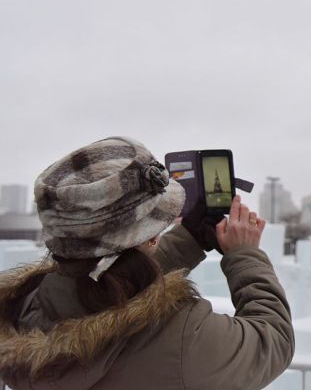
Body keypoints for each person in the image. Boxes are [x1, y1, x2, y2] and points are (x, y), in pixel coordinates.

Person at [0, 137, 294, 390]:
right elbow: (272, 341)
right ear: (144, 240)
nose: (156, 239)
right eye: (153, 234)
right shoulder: (180, 337)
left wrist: (189, 239)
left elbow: (110, 285)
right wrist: (244, 255)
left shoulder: (25, 310)